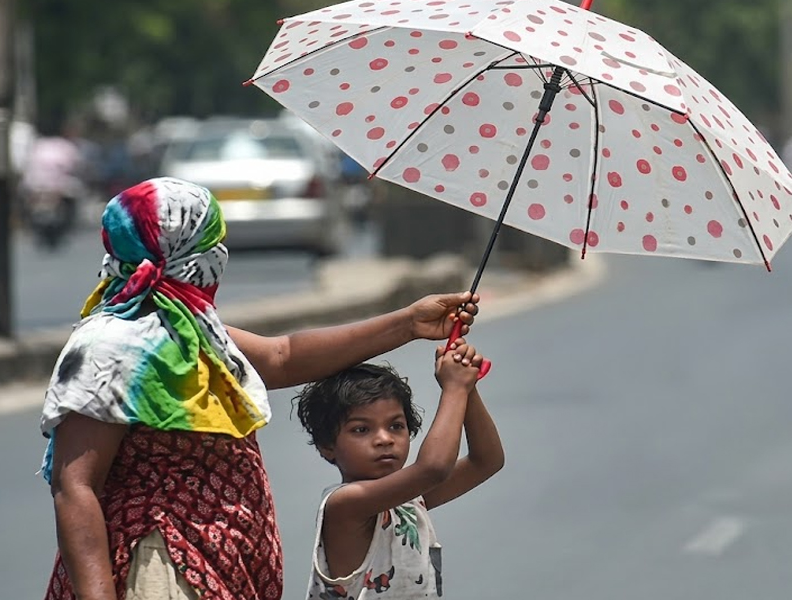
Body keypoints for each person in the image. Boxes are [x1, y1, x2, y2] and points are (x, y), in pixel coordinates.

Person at [39, 176, 480, 600]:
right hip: (158, 562)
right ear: (183, 252)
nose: (219, 255)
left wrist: (409, 323)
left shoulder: (192, 330)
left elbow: (283, 356)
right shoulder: (111, 346)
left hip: (217, 566)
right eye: (210, 244)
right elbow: (75, 486)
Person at [294, 342, 503, 599]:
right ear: (327, 446)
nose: (384, 439)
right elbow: (433, 468)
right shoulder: (344, 506)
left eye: (395, 426)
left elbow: (486, 461)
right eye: (361, 429)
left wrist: (468, 388)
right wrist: (455, 388)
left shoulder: (408, 500)